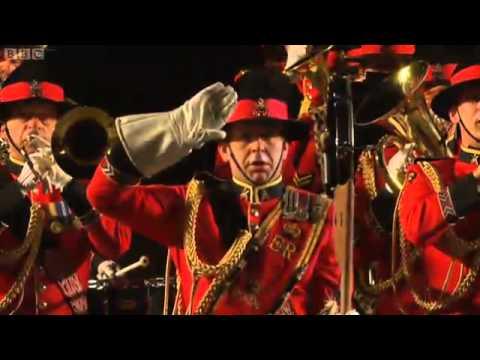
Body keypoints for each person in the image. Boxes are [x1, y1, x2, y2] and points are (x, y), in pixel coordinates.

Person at [87, 69, 341, 315]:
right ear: (224, 150)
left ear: (285, 149)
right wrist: (172, 129)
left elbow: (324, 301)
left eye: (268, 136)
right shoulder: (193, 204)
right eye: (245, 136)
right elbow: (104, 195)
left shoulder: (317, 215)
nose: (258, 147)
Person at [0, 62, 130, 314]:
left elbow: (115, 245)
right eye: (25, 115)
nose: (35, 124)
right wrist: (21, 189)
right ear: (3, 129)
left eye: (46, 116)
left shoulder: (82, 186)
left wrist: (100, 263)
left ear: (61, 125)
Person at [397, 63, 480, 314]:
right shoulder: (430, 173)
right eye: (475, 98)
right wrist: (474, 184)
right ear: (454, 114)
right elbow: (414, 225)